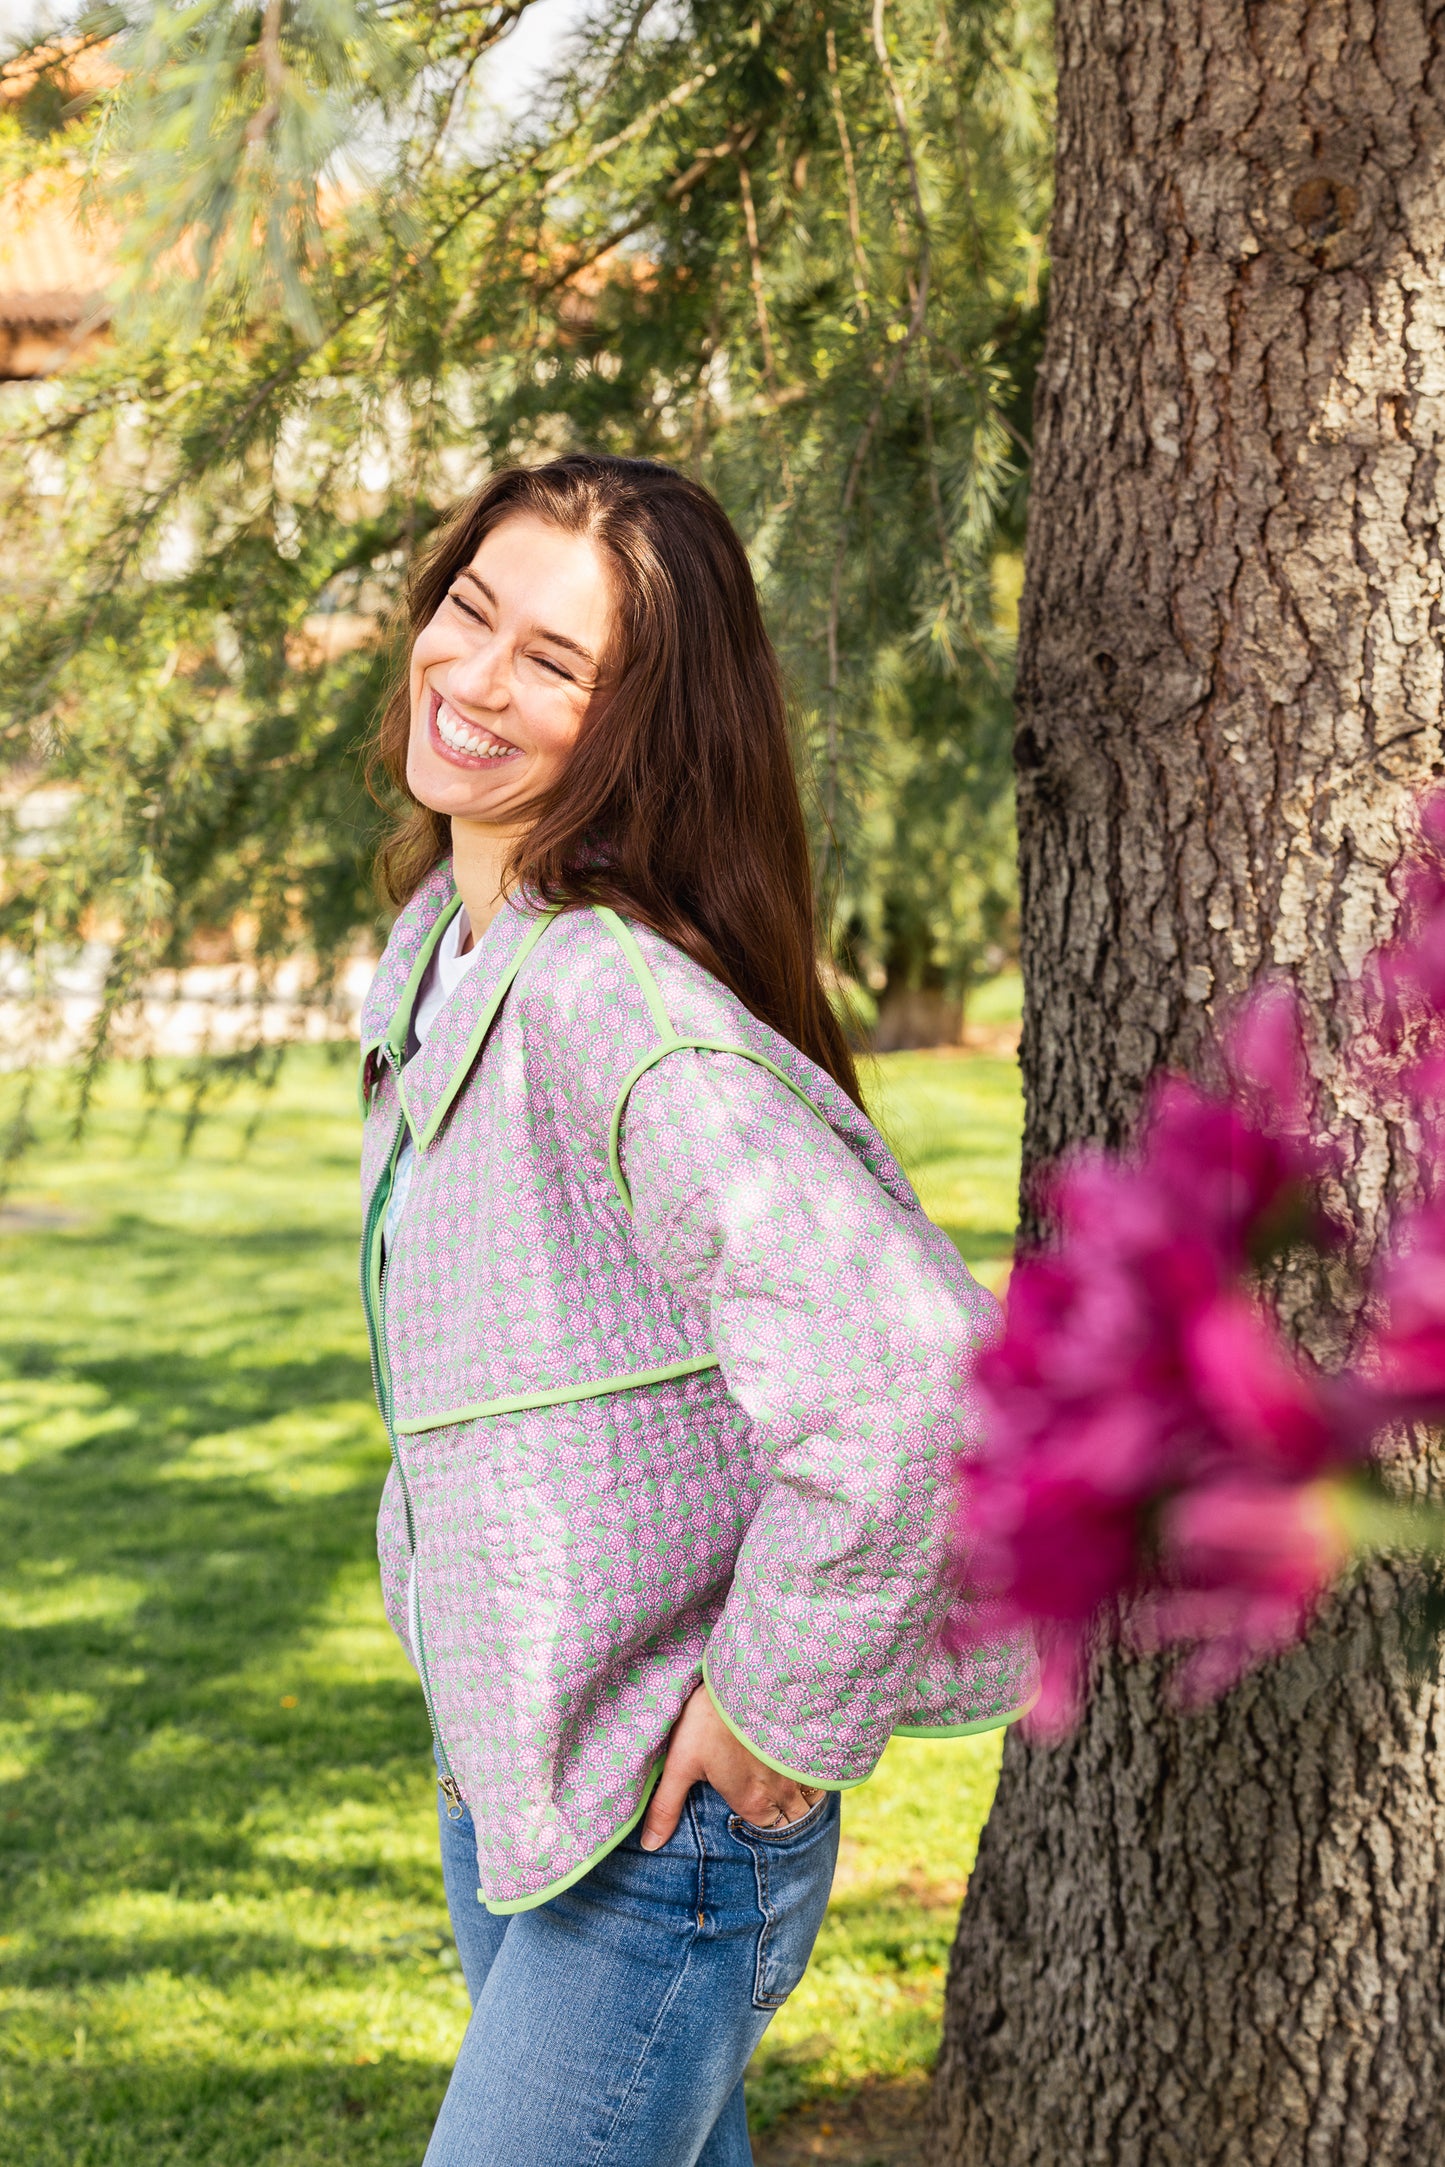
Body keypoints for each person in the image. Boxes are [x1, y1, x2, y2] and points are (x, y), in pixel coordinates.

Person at [357, 453, 1036, 2167]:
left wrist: (774, 1710)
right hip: (521, 1761)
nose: (473, 678)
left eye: (552, 664)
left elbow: (904, 1399)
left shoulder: (614, 1002)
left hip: (662, 1822)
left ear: (638, 726)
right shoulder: (447, 948)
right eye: (468, 613)